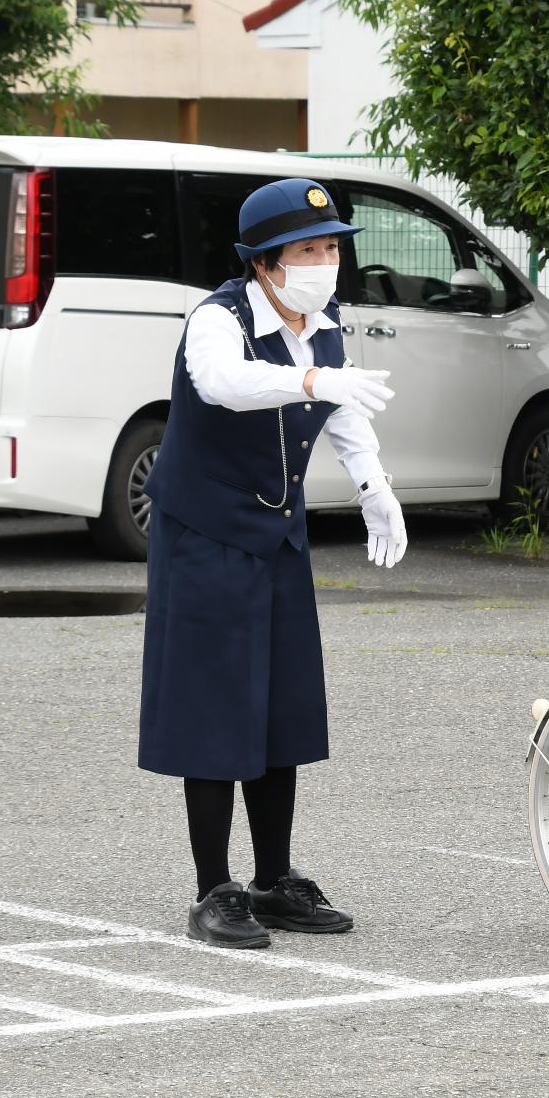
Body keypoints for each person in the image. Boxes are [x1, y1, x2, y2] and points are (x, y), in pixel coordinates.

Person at [138, 177, 408, 949]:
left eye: (331, 247)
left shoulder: (321, 325)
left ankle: (275, 878)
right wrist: (314, 378)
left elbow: (345, 409)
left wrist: (374, 486)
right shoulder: (215, 321)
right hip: (205, 533)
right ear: (263, 263)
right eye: (309, 250)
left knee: (281, 708)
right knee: (214, 708)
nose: (325, 261)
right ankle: (213, 888)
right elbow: (225, 385)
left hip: (276, 532)